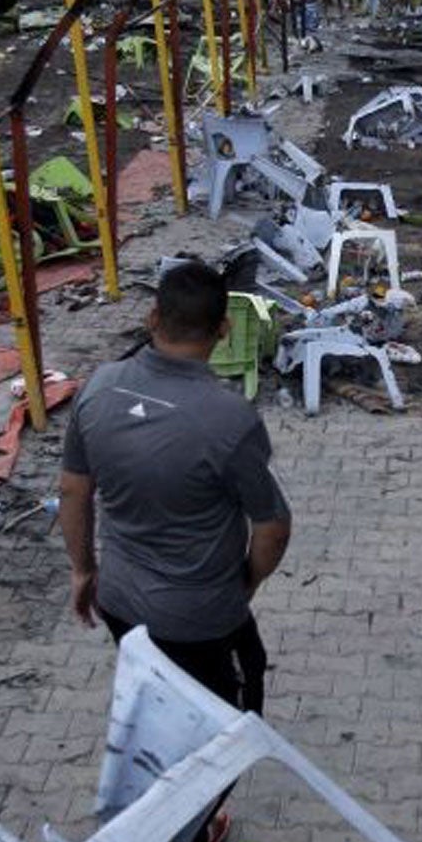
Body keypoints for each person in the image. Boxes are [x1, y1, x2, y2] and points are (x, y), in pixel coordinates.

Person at [59, 258, 291, 719]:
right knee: (225, 728)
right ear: (223, 329)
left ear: (152, 319)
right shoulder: (229, 419)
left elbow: (72, 491)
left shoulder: (100, 388)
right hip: (200, 615)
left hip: (119, 600)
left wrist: (84, 570)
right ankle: (187, 789)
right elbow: (272, 527)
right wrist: (244, 584)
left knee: (155, 696)